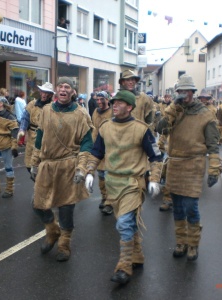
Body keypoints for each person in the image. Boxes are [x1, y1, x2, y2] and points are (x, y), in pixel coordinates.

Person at [85, 90, 163, 284]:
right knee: (127, 222)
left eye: (119, 103)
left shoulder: (141, 129)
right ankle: (137, 256)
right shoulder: (105, 127)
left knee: (124, 224)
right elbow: (96, 153)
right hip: (112, 183)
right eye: (114, 102)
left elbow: (155, 157)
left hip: (132, 183)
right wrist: (89, 172)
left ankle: (124, 266)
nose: (114, 105)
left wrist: (154, 178)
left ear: (129, 107)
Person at [156, 74, 222, 262]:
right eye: (180, 92)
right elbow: (161, 128)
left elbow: (213, 144)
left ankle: (193, 243)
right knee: (177, 206)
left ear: (193, 92)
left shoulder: (205, 114)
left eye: (187, 91)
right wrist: (172, 108)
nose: (183, 95)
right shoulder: (173, 110)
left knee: (191, 206)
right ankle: (181, 242)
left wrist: (214, 168)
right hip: (175, 162)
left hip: (194, 163)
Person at [30, 77, 93, 262]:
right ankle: (52, 230)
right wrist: (34, 162)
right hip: (47, 164)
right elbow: (39, 137)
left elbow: (87, 143)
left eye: (67, 87)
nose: (63, 89)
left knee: (66, 207)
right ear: (56, 90)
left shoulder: (81, 114)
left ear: (73, 91)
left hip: (68, 165)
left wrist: (82, 167)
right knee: (37, 203)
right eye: (60, 86)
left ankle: (64, 243)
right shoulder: (47, 110)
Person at [17, 82, 54, 176]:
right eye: (43, 92)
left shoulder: (54, 107)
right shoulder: (32, 104)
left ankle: (42, 185)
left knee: (44, 166)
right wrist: (22, 130)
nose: (44, 94)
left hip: (47, 139)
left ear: (50, 95)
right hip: (32, 137)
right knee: (30, 164)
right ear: (40, 92)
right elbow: (25, 118)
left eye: (47, 92)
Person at [0, 96, 19, 200]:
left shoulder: (10, 117)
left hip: (6, 144)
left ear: (2, 104)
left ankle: (9, 189)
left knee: (8, 167)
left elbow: (15, 133)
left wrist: (14, 147)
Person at [91, 91, 113, 215]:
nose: (99, 102)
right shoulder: (95, 112)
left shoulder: (112, 113)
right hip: (98, 148)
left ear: (107, 99)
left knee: (109, 176)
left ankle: (110, 202)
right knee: (100, 176)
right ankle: (104, 197)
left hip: (110, 149)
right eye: (97, 99)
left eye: (101, 99)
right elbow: (93, 127)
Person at [157, 93, 172, 212]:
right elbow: (163, 131)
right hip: (171, 149)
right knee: (167, 171)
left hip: (187, 153)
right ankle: (167, 199)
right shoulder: (170, 113)